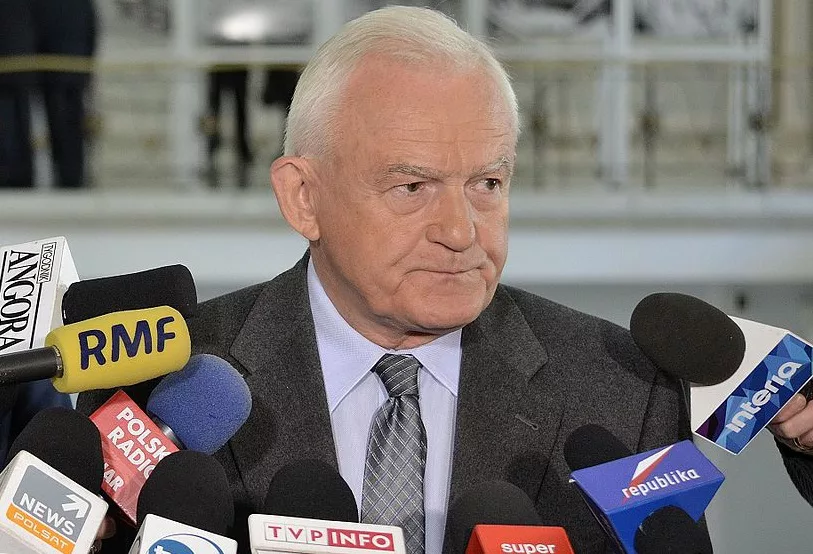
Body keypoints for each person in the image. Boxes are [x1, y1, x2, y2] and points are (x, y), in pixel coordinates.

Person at [78, 6, 813, 553]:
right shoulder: (165, 379)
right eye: (413, 187)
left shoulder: (620, 388)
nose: (461, 231)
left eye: (487, 183)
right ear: (302, 197)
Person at [30, 0, 98, 189]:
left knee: (58, 126)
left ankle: (64, 172)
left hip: (52, 73)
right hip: (75, 71)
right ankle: (73, 175)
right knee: (73, 125)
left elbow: (39, 31)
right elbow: (92, 31)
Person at [0, 0, 36, 189]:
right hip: (23, 64)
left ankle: (10, 173)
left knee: (8, 124)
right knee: (21, 121)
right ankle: (23, 174)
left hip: (8, 68)